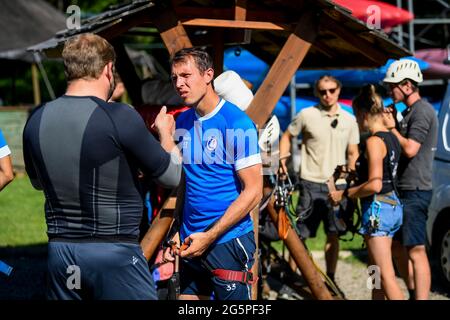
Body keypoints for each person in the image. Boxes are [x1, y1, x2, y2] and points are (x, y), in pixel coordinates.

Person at [22, 33, 181, 300]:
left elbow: (38, 182)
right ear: (108, 69)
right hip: (114, 253)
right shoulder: (120, 115)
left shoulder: (36, 119)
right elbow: (172, 175)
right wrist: (166, 134)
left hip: (61, 254)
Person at [167, 48, 263, 300]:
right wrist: (176, 228)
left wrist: (209, 236)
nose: (179, 83)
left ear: (208, 75)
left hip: (227, 241)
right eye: (174, 78)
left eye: (186, 75)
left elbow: (253, 191)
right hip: (190, 240)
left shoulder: (237, 123)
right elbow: (185, 181)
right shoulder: (183, 121)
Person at [279, 75, 359, 294]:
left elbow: (353, 151)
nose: (328, 95)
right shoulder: (307, 114)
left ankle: (330, 280)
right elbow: (286, 136)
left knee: (334, 234)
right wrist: (282, 160)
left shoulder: (349, 119)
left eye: (332, 90)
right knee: (299, 235)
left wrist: (351, 177)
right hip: (310, 182)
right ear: (317, 93)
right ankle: (293, 279)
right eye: (323, 91)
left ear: (338, 90)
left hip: (338, 185)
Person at [329, 84, 404, 299]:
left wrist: (344, 193)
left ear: (363, 114)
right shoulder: (391, 137)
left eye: (355, 116)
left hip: (378, 211)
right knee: (375, 271)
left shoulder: (373, 141)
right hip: (391, 207)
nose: (356, 121)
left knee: (386, 275)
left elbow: (375, 184)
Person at [382, 59, 438, 300]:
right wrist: (395, 123)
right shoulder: (409, 112)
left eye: (392, 86)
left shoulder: (422, 111)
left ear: (406, 86)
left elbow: (411, 149)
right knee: (397, 246)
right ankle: (414, 292)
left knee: (416, 248)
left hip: (415, 189)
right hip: (403, 189)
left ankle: (420, 297)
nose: (388, 91)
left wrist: (391, 128)